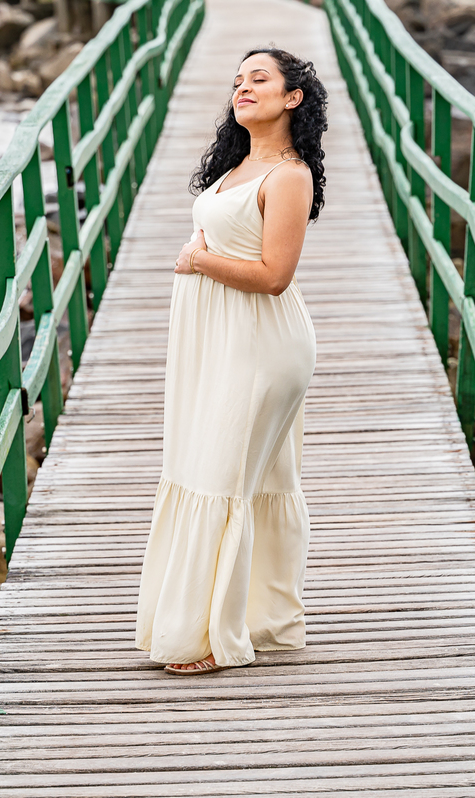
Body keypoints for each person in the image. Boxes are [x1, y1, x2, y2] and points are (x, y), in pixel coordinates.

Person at [134, 47, 329, 675]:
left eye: (259, 79)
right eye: (238, 80)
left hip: (263, 343)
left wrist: (197, 260)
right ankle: (262, 621)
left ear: (292, 97)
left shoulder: (289, 176)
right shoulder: (240, 163)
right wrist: (203, 251)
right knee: (237, 473)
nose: (242, 88)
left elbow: (275, 276)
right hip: (218, 337)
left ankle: (217, 636)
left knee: (224, 472)